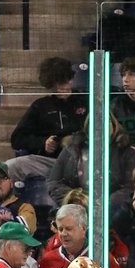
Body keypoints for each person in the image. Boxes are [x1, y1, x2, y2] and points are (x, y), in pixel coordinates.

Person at [6, 57, 86, 185]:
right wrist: (43, 143)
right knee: (11, 166)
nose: (64, 87)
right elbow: (17, 139)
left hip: (82, 162)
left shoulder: (85, 101)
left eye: (67, 81)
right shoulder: (40, 106)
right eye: (59, 83)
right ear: (51, 84)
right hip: (51, 163)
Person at [46, 115, 135, 207]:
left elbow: (131, 187)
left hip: (113, 211)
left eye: (106, 121)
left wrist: (108, 203)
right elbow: (54, 182)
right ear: (88, 128)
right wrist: (77, 199)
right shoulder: (70, 149)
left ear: (114, 127)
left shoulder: (127, 152)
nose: (100, 126)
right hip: (74, 208)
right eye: (95, 122)